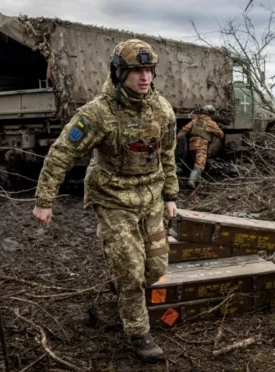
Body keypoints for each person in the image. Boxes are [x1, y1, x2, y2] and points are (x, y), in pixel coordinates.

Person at [31, 39, 178, 361]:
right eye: (136, 70)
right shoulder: (98, 113)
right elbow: (61, 153)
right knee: (130, 273)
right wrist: (45, 200)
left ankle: (123, 286)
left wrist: (170, 196)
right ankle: (139, 334)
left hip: (151, 196)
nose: (144, 77)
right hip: (112, 197)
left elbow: (167, 154)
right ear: (118, 72)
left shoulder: (162, 109)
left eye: (149, 70)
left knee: (155, 268)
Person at [176, 105, 224, 188]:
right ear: (211, 113)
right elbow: (220, 134)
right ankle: (192, 181)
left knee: (195, 163)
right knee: (199, 164)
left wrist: (177, 139)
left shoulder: (194, 121)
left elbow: (185, 129)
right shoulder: (211, 123)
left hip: (192, 146)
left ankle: (197, 182)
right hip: (201, 146)